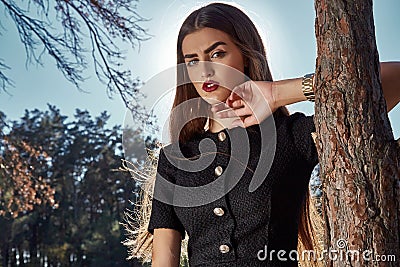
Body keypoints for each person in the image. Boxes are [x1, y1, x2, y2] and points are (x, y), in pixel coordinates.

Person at [124, 3, 400, 267]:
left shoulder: (290, 138)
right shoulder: (174, 159)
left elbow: (389, 80)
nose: (205, 69)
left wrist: (277, 92)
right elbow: (164, 260)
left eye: (217, 54)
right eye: (192, 61)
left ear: (245, 56)